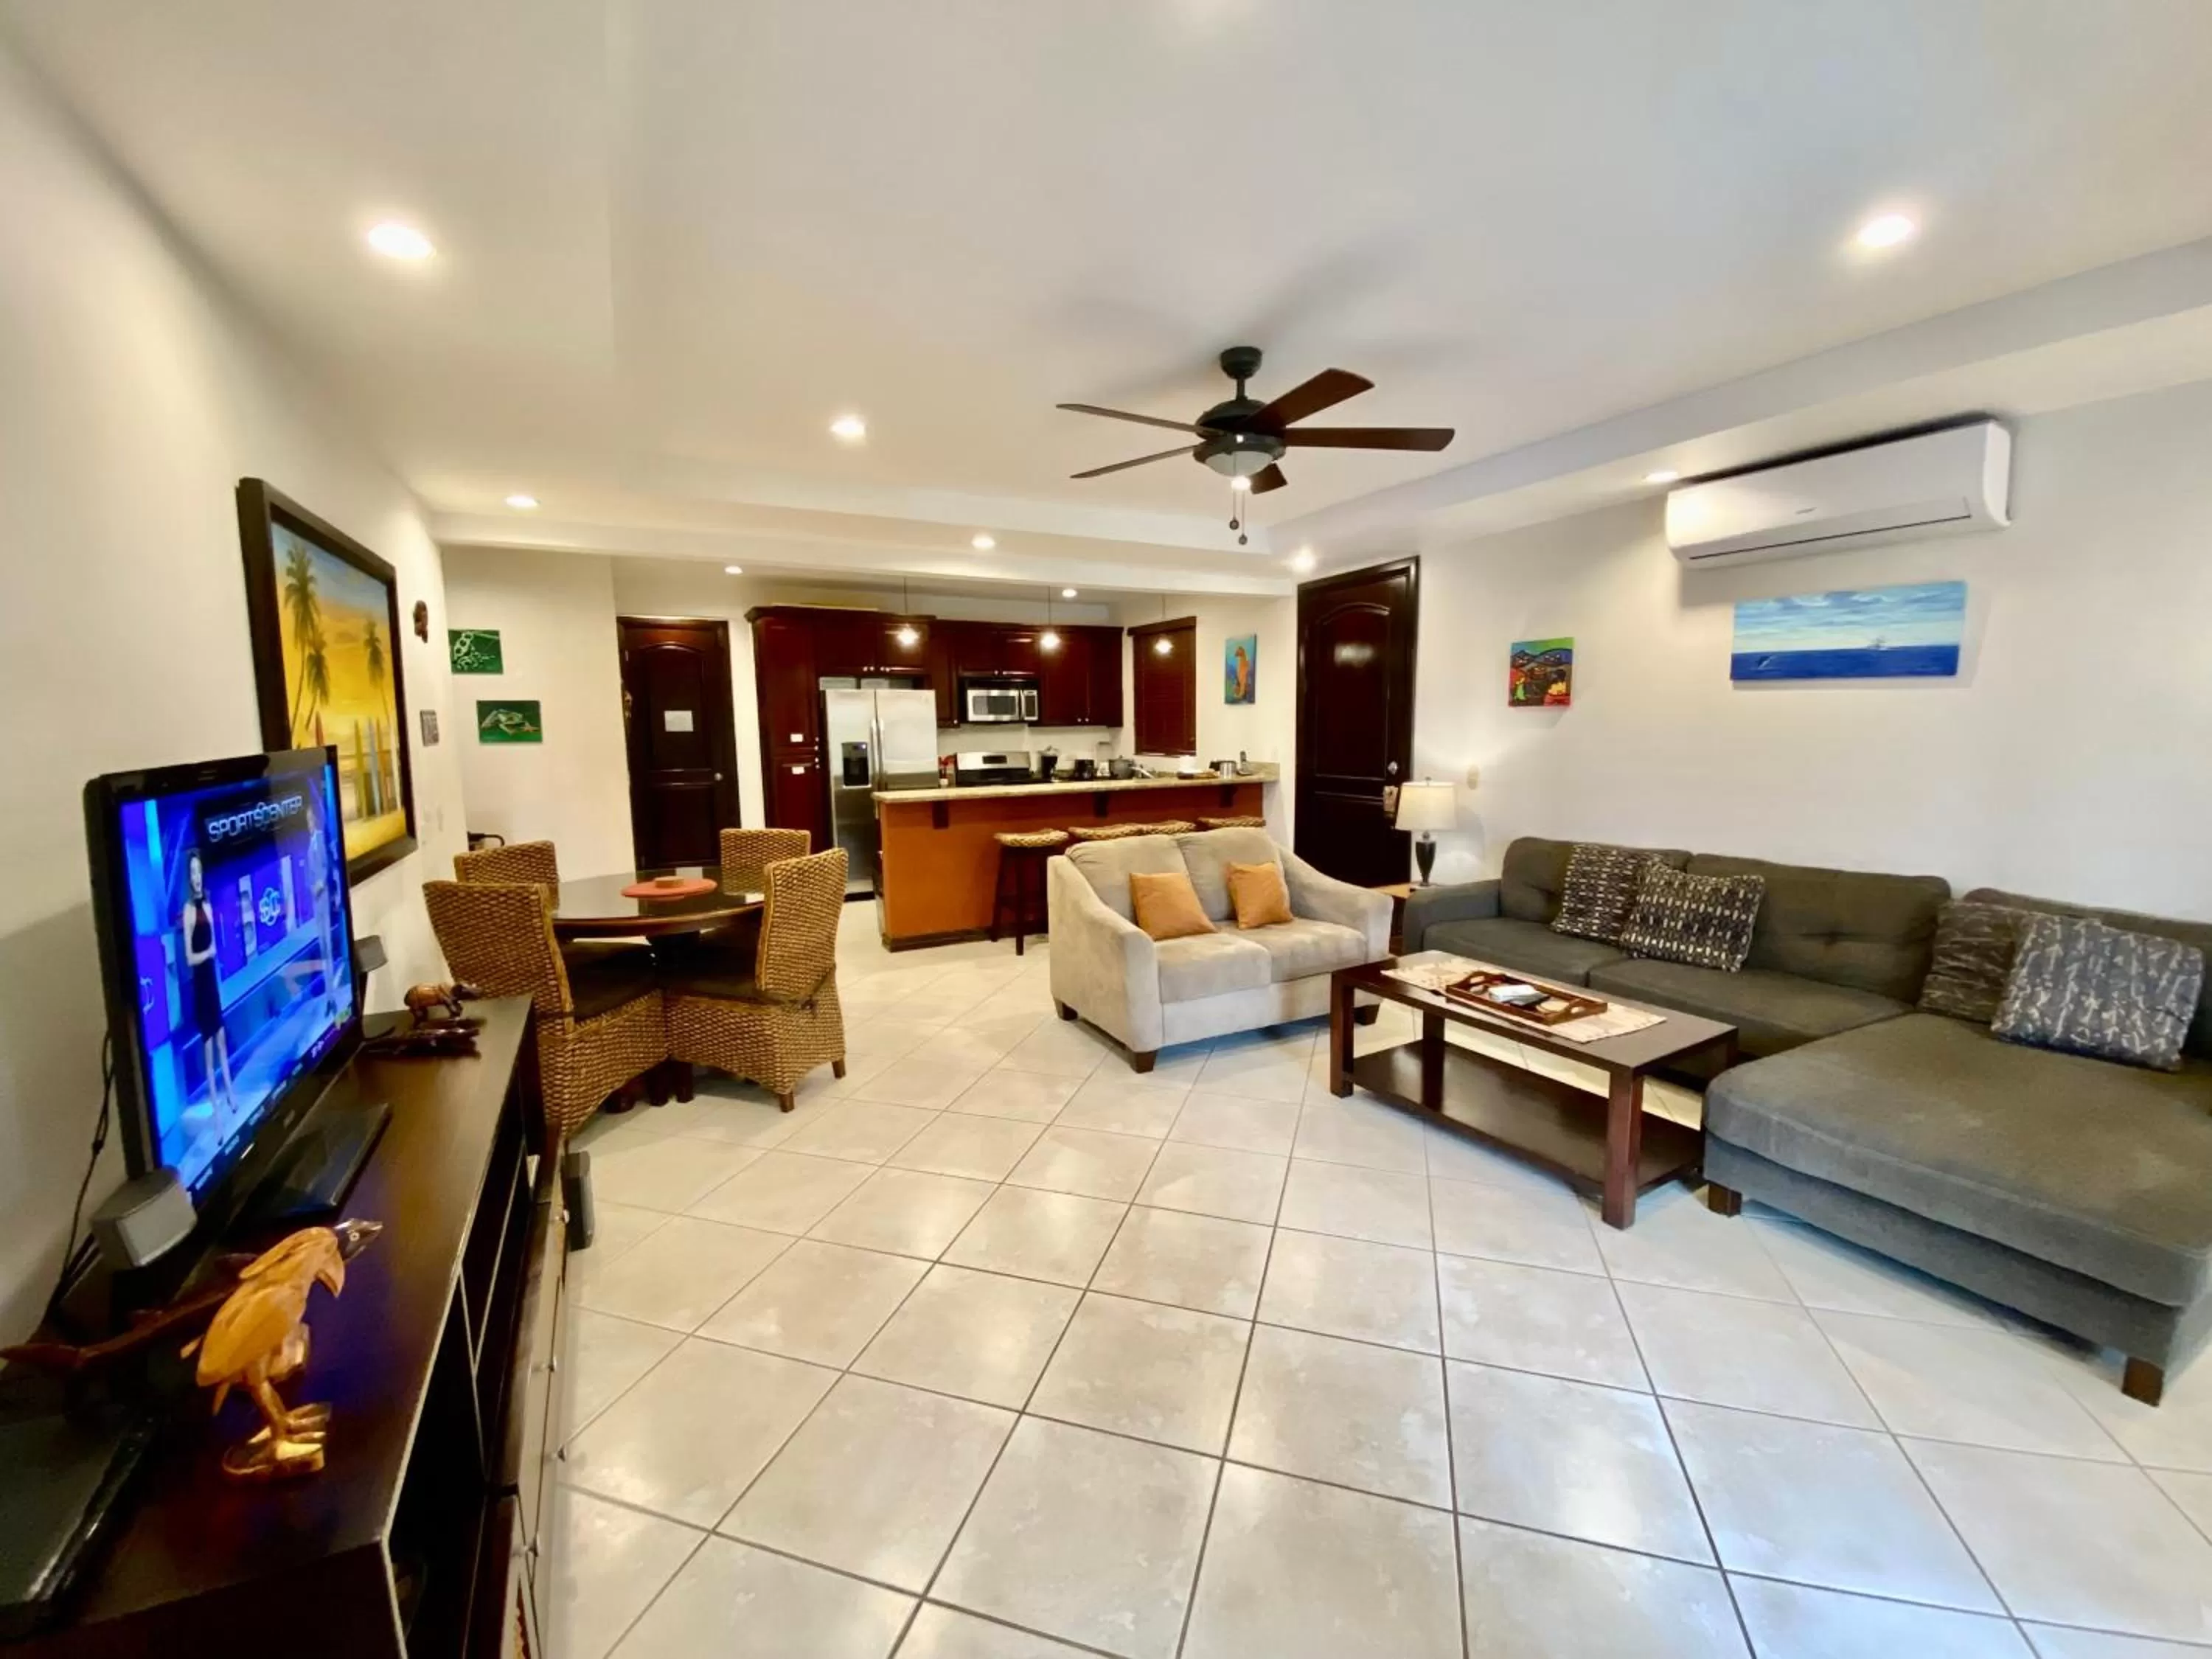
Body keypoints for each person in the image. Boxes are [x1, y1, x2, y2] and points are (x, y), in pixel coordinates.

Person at [180, 849, 238, 1127]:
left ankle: (231, 1095)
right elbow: (190, 957)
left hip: (212, 980)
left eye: (199, 871)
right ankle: (216, 1109)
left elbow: (215, 940)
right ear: (189, 879)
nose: (197, 877)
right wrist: (209, 953)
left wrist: (214, 953)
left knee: (222, 1039)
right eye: (192, 873)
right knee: (208, 1048)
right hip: (200, 984)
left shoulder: (210, 906)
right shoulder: (189, 911)